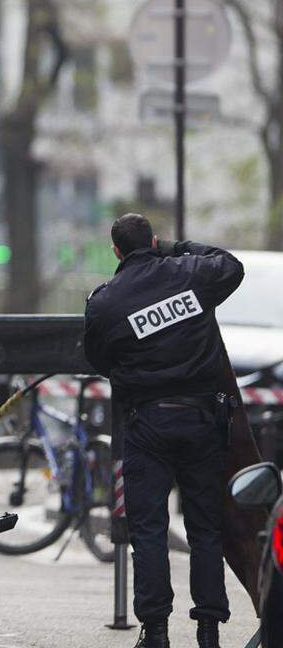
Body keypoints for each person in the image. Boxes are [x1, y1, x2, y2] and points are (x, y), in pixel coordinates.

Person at [84, 213, 244, 648]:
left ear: (116, 251)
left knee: (149, 530)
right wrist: (175, 248)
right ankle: (208, 629)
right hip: (201, 421)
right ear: (153, 241)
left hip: (147, 425)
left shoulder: (106, 301)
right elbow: (231, 264)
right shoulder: (191, 272)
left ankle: (155, 631)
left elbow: (99, 359)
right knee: (204, 528)